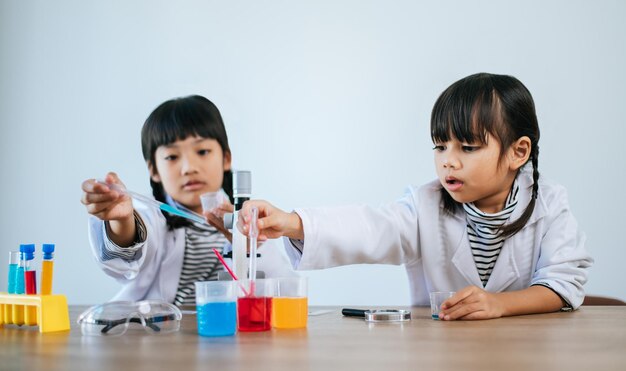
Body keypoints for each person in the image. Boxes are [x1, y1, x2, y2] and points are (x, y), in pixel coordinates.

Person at [238, 73, 593, 320]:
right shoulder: (426, 204)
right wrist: (291, 223)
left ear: (519, 152)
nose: (448, 161)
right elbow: (371, 227)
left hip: (528, 350)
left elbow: (562, 285)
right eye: (440, 147)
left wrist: (500, 304)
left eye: (468, 147)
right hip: (442, 350)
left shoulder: (549, 204)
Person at [81, 95, 293, 306]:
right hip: (165, 336)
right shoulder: (152, 217)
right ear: (154, 170)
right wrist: (123, 220)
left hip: (228, 333)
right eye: (172, 157)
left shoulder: (245, 220)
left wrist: (247, 245)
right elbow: (128, 252)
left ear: (226, 158)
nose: (189, 167)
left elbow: (284, 287)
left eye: (202, 151)